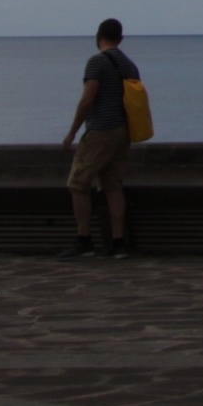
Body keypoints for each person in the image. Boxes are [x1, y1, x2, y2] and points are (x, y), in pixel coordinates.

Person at [62, 18, 140, 258]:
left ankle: (84, 240)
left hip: (100, 130)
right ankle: (118, 243)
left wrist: (72, 132)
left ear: (98, 37)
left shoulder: (96, 62)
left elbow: (88, 99)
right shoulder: (129, 64)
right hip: (123, 130)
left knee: (78, 183)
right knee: (113, 186)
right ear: (121, 38)